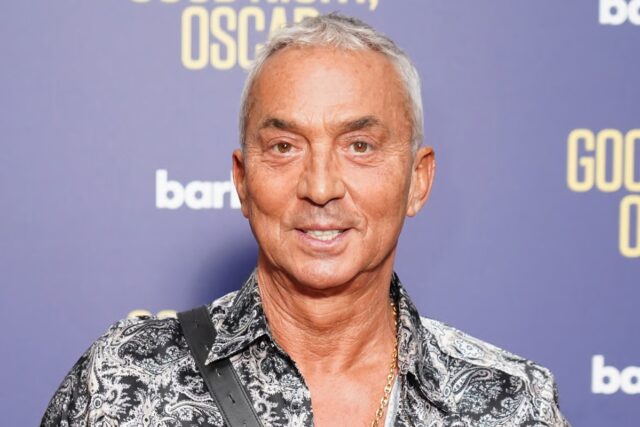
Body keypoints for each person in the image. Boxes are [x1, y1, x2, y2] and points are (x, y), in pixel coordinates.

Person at [42, 13, 569, 427]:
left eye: (359, 146)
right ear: (243, 180)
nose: (320, 187)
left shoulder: (512, 404)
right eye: (284, 147)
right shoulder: (122, 376)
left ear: (418, 180)